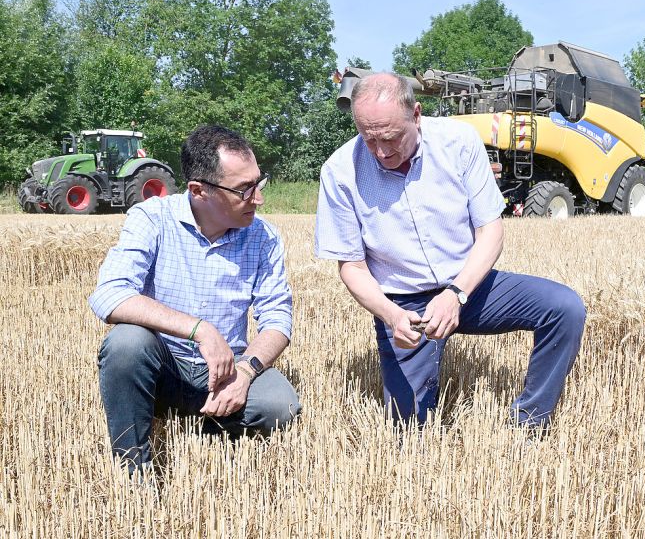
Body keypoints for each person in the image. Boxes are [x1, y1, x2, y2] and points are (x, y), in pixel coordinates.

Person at [314, 73, 586, 430]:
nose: (381, 151)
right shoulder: (339, 171)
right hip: (403, 305)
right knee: (409, 432)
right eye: (369, 139)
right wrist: (391, 316)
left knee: (565, 308)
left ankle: (531, 423)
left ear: (416, 114)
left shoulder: (458, 141)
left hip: (470, 286)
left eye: (391, 138)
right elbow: (351, 266)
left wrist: (456, 294)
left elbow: (490, 230)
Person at [89, 124, 300, 474]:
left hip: (227, 372)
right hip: (163, 367)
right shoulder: (152, 219)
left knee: (280, 406)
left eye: (258, 183)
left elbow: (277, 319)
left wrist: (246, 371)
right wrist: (200, 330)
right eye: (244, 189)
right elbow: (110, 295)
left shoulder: (264, 237)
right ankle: (132, 474)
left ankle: (204, 431)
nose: (259, 198)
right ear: (199, 191)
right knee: (126, 343)